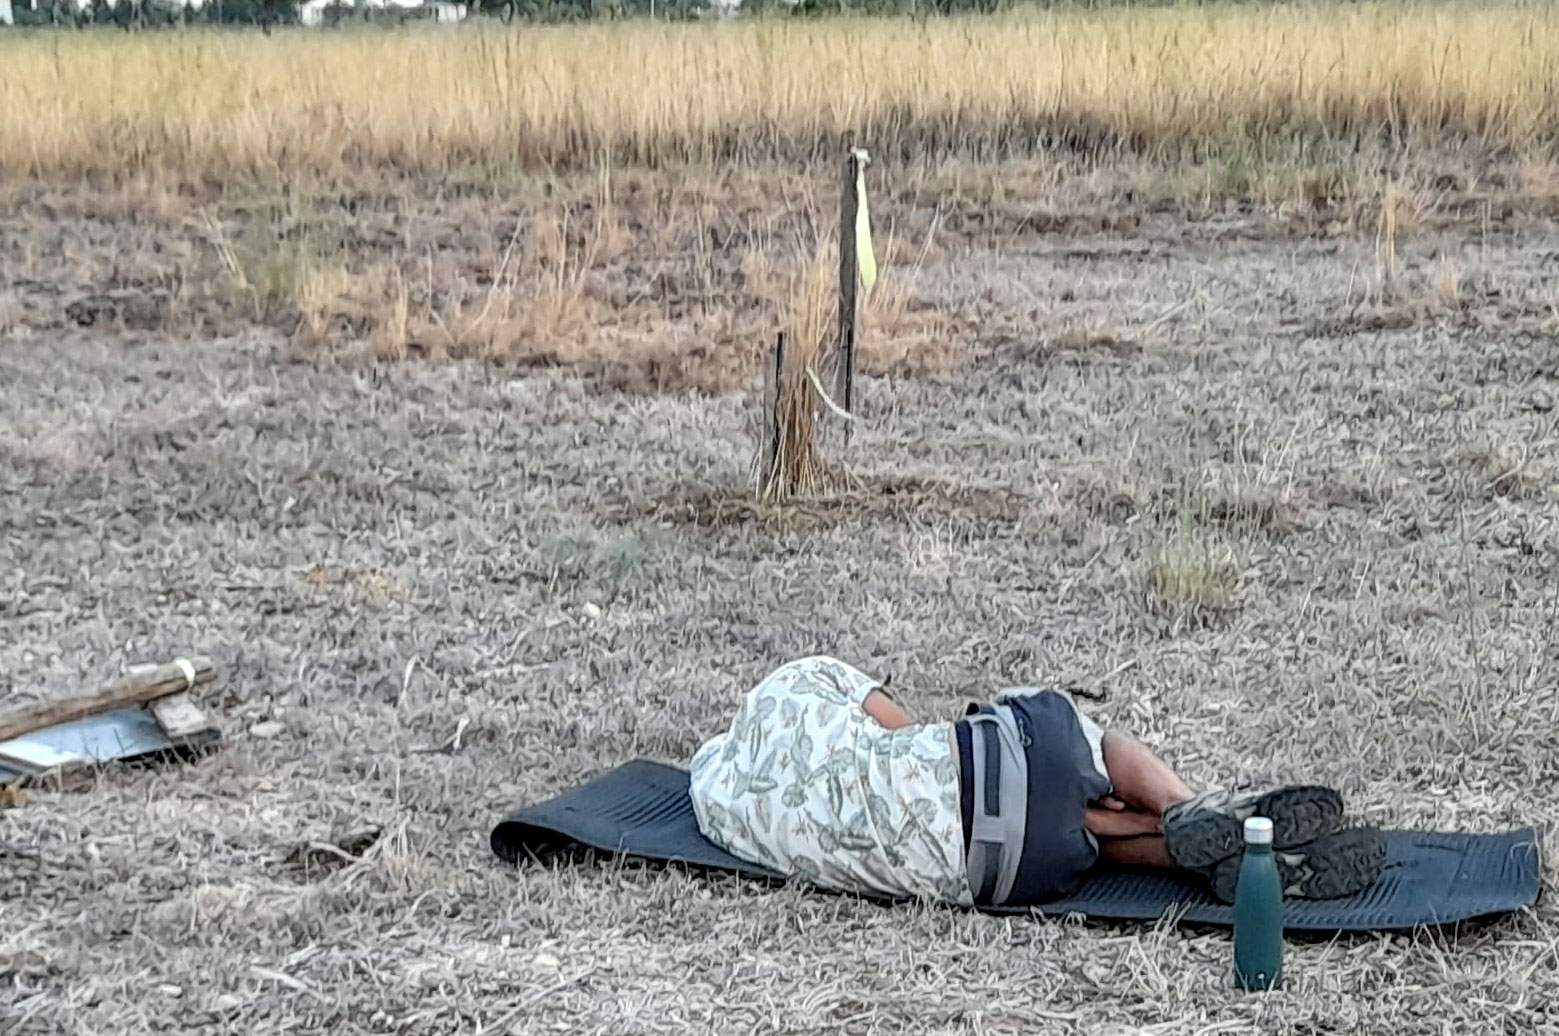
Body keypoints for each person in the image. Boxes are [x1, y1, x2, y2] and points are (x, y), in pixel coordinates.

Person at [689, 656, 1385, 908]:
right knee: (1088, 743)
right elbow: (904, 732)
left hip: (998, 873)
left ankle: (1196, 851)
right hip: (997, 766)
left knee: (1060, 832)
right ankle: (1184, 808)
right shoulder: (805, 678)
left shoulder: (716, 803)